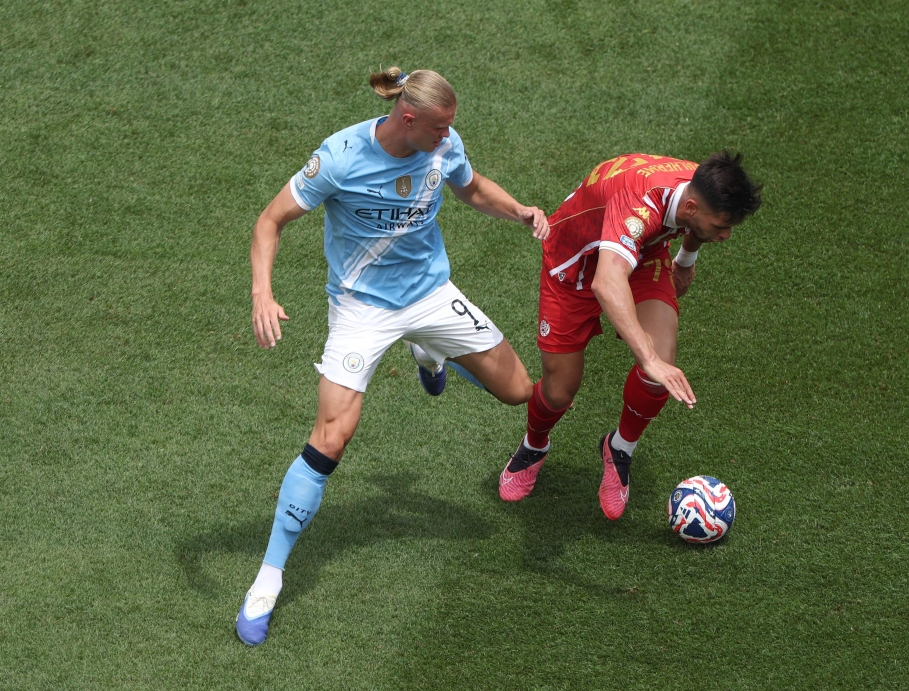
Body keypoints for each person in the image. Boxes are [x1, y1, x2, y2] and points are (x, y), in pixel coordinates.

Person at [236, 67, 549, 646]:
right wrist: (263, 291)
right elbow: (270, 221)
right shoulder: (339, 158)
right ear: (409, 119)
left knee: (519, 391)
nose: (449, 136)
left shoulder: (442, 145)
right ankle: (268, 578)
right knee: (331, 437)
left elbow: (471, 188)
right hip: (362, 310)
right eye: (440, 127)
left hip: (431, 296)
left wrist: (520, 210)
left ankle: (432, 351)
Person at [498, 151, 762, 520]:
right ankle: (534, 445)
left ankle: (619, 447)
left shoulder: (696, 185)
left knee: (660, 369)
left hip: (642, 253)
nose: (726, 235)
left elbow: (692, 225)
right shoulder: (642, 203)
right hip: (571, 267)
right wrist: (647, 358)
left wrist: (685, 259)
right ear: (690, 206)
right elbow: (607, 281)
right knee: (560, 390)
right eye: (722, 225)